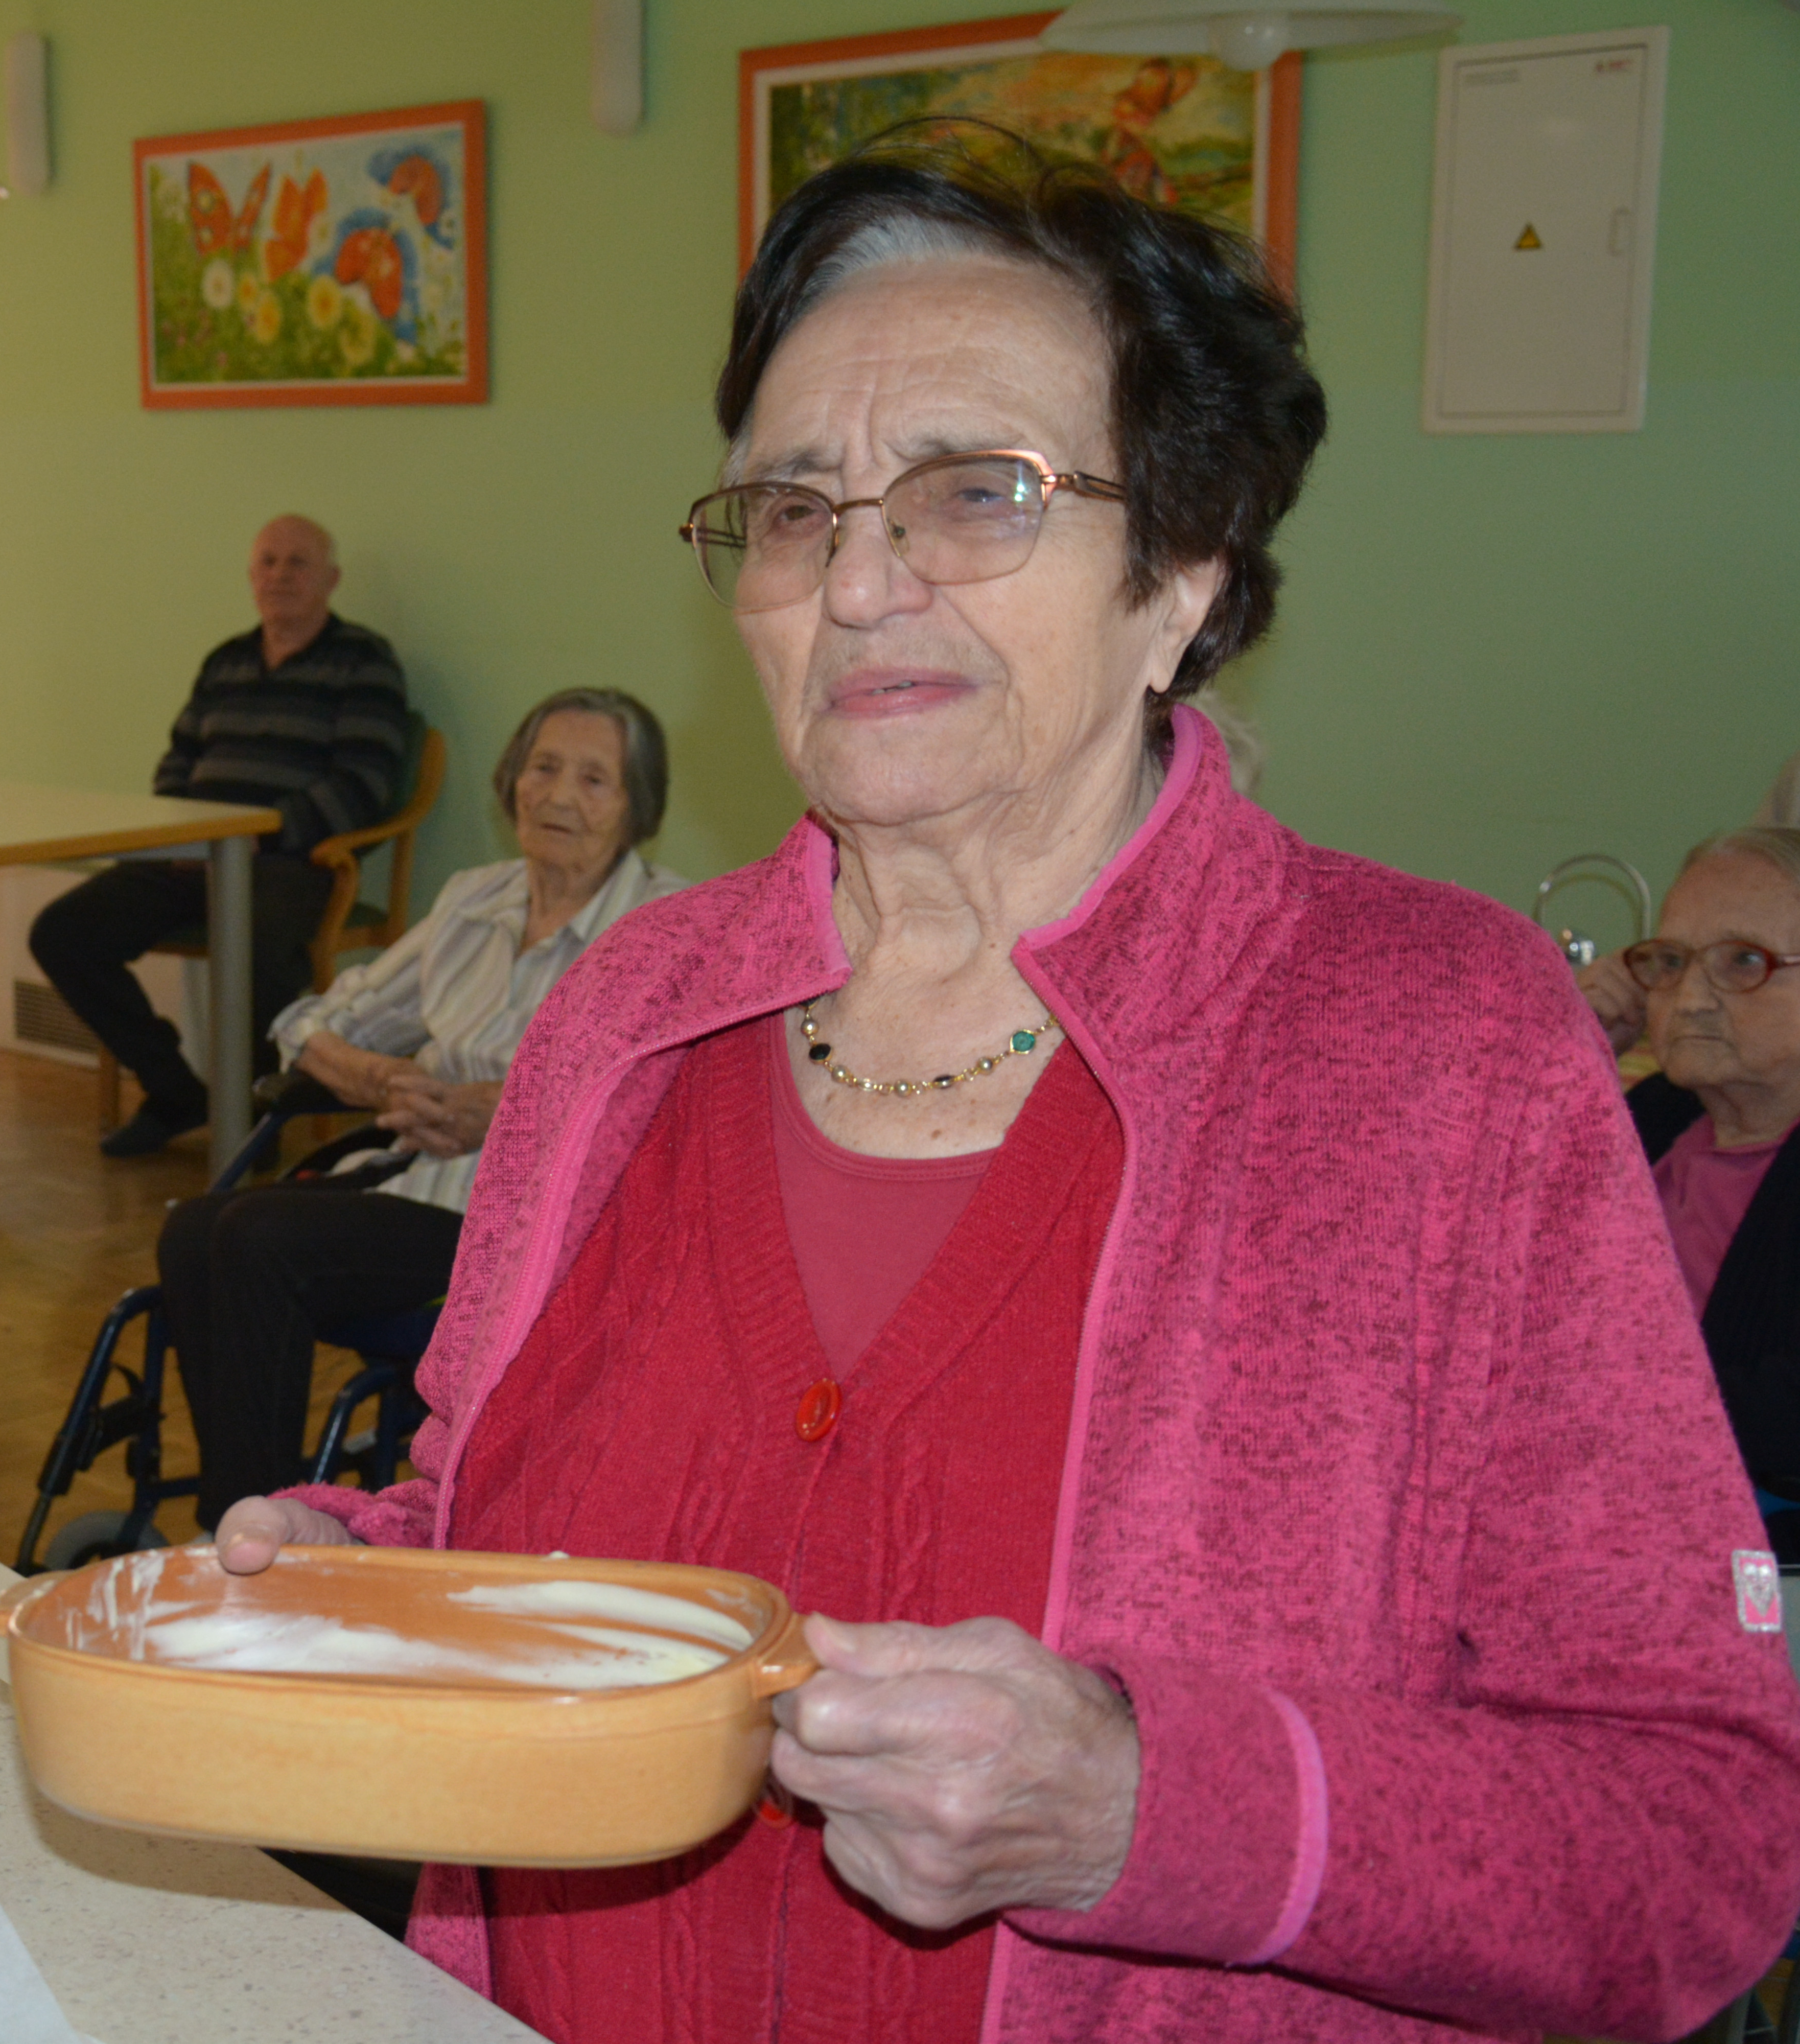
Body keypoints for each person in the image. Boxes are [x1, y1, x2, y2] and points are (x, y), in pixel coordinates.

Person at [213, 133, 1800, 2042]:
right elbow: (510, 1530)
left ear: (1182, 576)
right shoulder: (627, 1012)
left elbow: (1700, 1822)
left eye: (977, 492)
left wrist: (1150, 1800)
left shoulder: (1433, 1044)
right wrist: (371, 1584)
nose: (862, 578)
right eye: (795, 510)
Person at [161, 689, 684, 1526]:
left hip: (528, 1234)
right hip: (416, 1188)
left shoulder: (663, 931)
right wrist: (377, 1079)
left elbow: (666, 1096)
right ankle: (246, 1506)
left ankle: (256, 1528)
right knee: (194, 1228)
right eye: (544, 767)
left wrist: (513, 1114)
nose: (557, 796)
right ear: (512, 777)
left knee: (261, 1242)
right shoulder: (474, 901)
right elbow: (309, 1023)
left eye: (595, 780)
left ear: (636, 808)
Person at [29, 516, 410, 1157]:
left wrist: (265, 834)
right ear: (250, 577)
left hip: (291, 860)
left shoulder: (364, 663)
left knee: (258, 949)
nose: (280, 576)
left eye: (298, 564)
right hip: (193, 854)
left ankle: (256, 1120)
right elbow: (177, 761)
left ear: (332, 580)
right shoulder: (226, 660)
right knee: (64, 932)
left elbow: (364, 782)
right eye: (268, 562)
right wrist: (184, 832)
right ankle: (176, 1091)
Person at [1581, 828, 1800, 1555]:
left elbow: (1783, 1421)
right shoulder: (1652, 1117)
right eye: (1670, 962)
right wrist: (1568, 1055)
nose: (1692, 998)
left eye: (1745, 961)